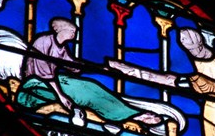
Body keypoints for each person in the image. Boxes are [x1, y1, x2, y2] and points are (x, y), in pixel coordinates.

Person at [17, 17, 162, 128]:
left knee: (91, 86)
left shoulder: (62, 48)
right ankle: (132, 116)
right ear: (62, 31)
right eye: (72, 31)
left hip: (54, 81)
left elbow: (75, 66)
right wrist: (61, 97)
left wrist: (101, 69)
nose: (74, 33)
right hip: (35, 86)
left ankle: (130, 114)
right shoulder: (43, 41)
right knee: (84, 92)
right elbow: (44, 73)